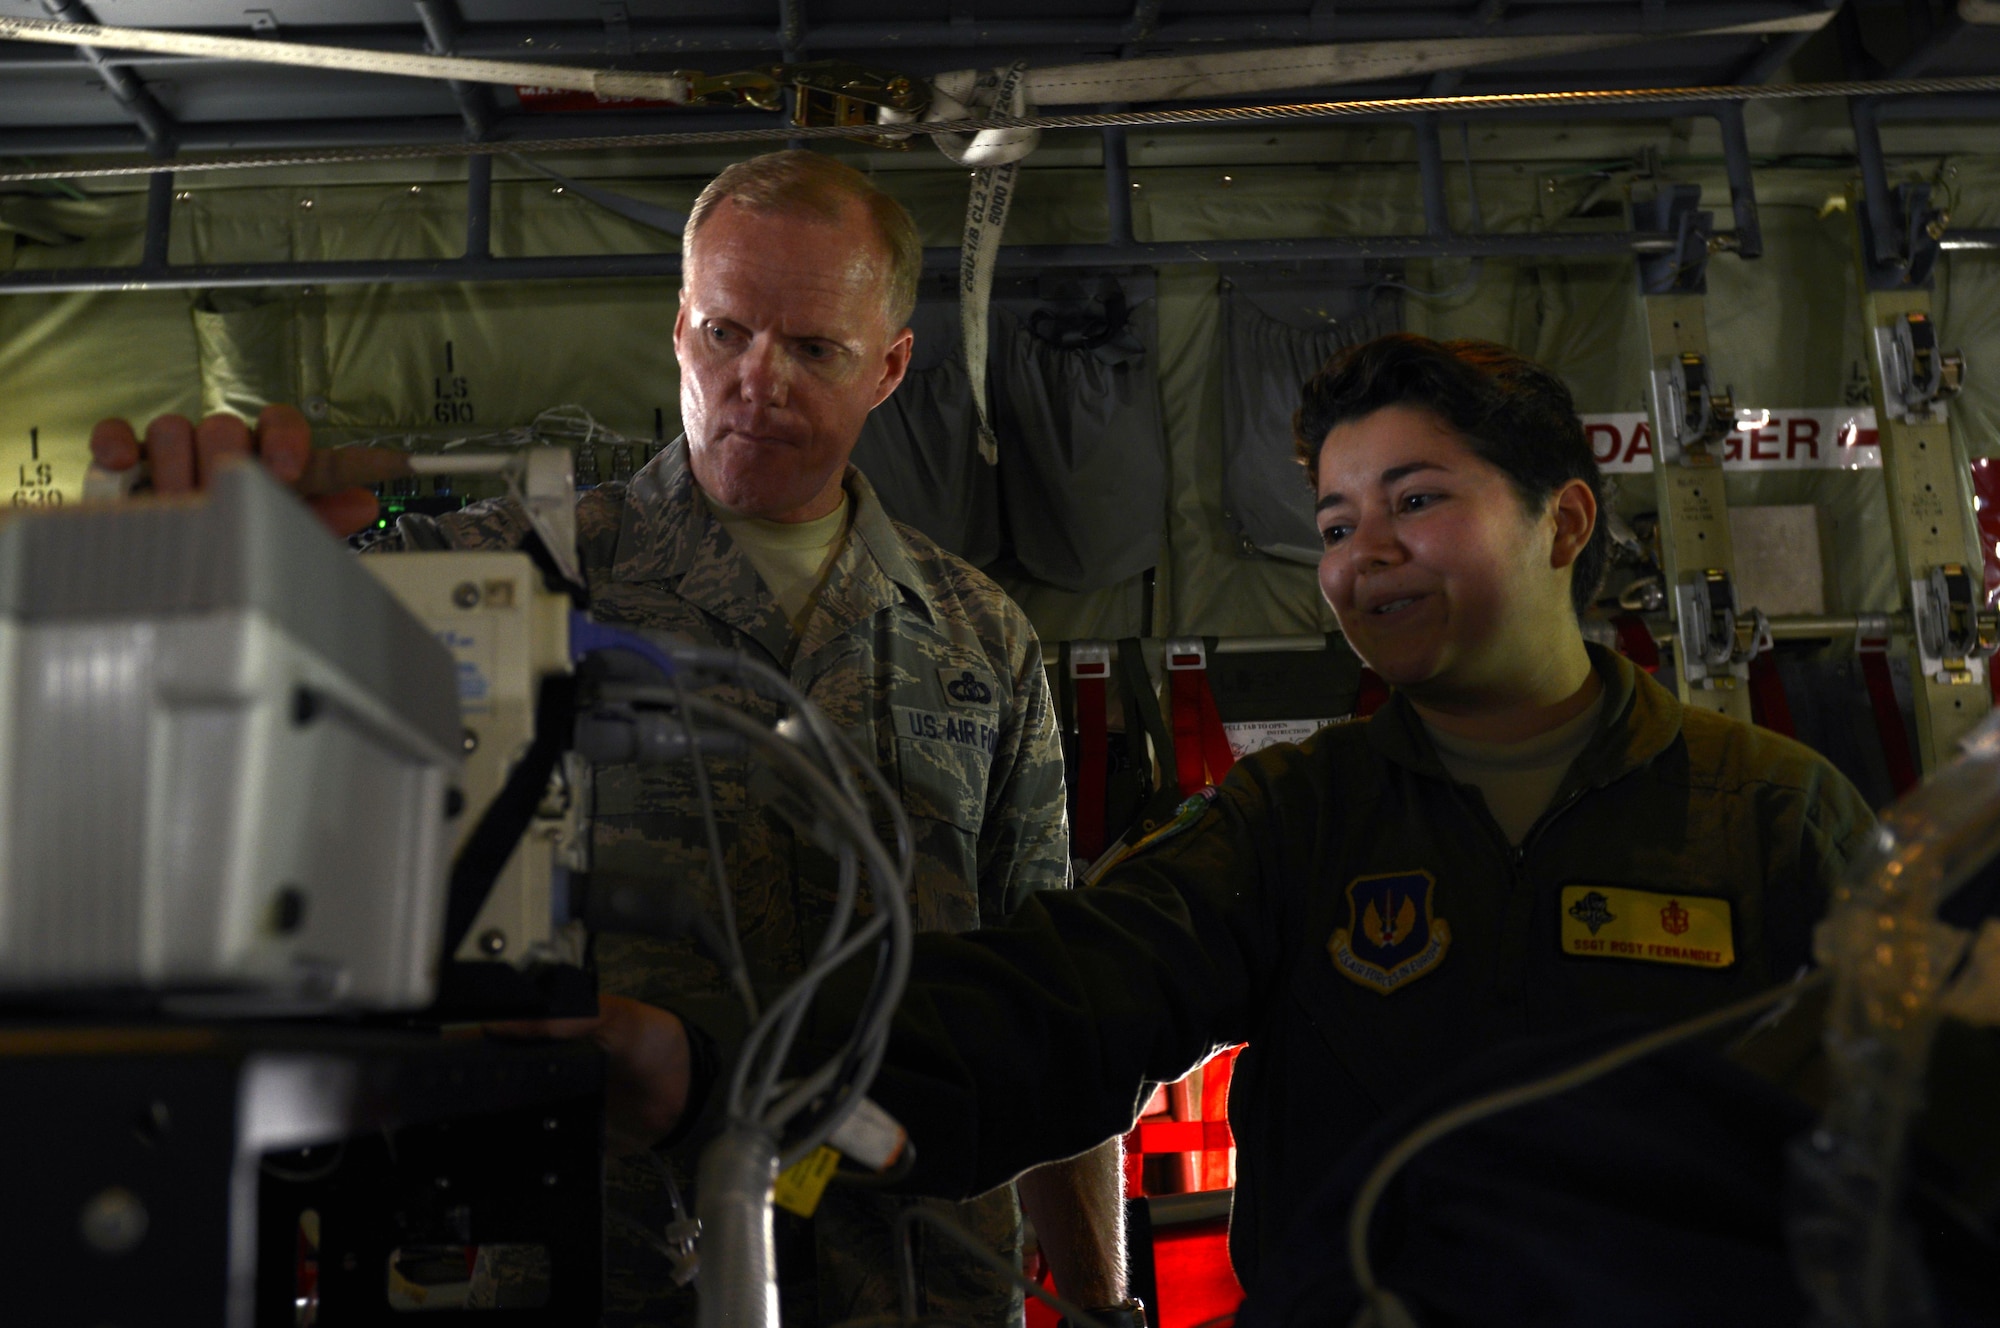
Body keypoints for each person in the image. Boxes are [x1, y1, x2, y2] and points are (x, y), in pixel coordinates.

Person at [569, 333, 1878, 1301]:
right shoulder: (1297, 817)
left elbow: (1896, 1151)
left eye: (1417, 501)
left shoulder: (1767, 812)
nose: (1365, 556)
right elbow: (1055, 1007)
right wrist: (713, 1065)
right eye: (1334, 520)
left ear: (1565, 521)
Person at [88, 150, 1125, 1328]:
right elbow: (217, 739)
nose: (756, 379)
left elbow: (1048, 1000)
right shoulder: (506, 577)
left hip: (910, 1277)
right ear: (677, 326)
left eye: (812, 348)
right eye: (724, 332)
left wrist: (1097, 1299)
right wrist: (175, 568)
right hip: (604, 1264)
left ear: (889, 365)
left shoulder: (976, 636)